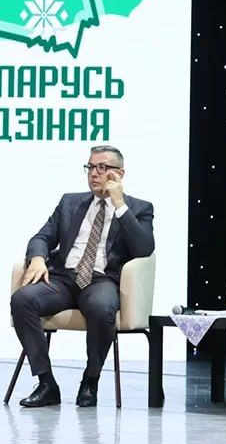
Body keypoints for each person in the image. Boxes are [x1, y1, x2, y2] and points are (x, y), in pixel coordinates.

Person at [10, 145, 154, 408]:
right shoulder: (70, 202)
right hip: (64, 279)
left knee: (101, 307)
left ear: (120, 173)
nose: (94, 173)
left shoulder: (139, 208)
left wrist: (119, 205)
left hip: (102, 280)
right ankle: (46, 383)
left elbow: (143, 249)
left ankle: (90, 380)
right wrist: (38, 257)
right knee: (22, 299)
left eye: (102, 168)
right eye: (90, 167)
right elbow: (42, 237)